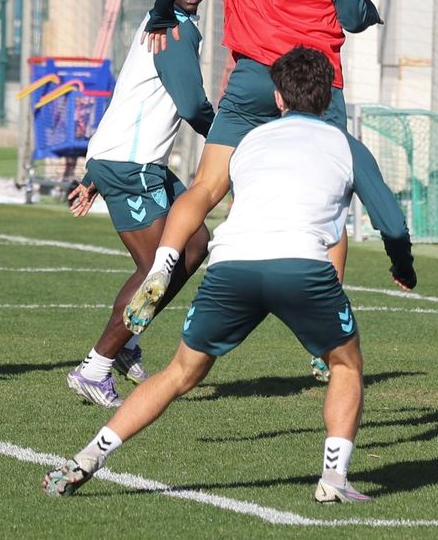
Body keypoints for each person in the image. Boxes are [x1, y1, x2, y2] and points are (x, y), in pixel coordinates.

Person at [42, 47, 417, 503]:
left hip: (231, 262)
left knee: (180, 372)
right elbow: (392, 224)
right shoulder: (346, 146)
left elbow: (228, 196)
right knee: (346, 364)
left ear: (278, 98)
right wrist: (403, 265)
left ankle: (87, 457)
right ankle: (333, 479)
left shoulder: (250, 142)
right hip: (300, 265)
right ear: (329, 98)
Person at [140, 0, 383, 372]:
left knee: (206, 186)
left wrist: (160, 12)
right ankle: (326, 338)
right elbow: (349, 11)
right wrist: (370, 13)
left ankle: (161, 267)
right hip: (313, 83)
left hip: (251, 76)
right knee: (331, 210)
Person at [62, 0, 216, 408]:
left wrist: (92, 172)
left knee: (195, 243)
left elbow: (131, 96)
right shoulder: (171, 29)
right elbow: (191, 106)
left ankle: (125, 344)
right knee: (158, 271)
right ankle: (96, 366)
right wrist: (235, 137)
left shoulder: (166, 20)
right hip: (131, 168)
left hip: (138, 163)